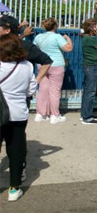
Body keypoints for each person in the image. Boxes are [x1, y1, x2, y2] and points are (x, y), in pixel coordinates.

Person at [0, 34, 37, 202]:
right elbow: (31, 91)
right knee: (15, 151)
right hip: (18, 113)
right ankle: (14, 189)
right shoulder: (27, 66)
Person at [33, 18, 73, 124]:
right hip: (56, 64)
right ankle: (54, 115)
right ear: (55, 26)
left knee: (42, 89)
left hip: (41, 64)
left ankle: (40, 114)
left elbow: (34, 49)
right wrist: (68, 39)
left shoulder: (38, 37)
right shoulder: (57, 37)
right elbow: (68, 49)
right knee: (54, 91)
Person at [0, 15, 52, 86]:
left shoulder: (25, 47)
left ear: (7, 30)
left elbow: (47, 61)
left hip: (18, 93)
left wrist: (35, 82)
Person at [80, 19, 97, 125]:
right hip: (90, 66)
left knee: (88, 91)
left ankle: (85, 113)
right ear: (91, 28)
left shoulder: (88, 38)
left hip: (90, 65)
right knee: (90, 92)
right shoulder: (89, 39)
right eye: (95, 26)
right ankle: (87, 117)